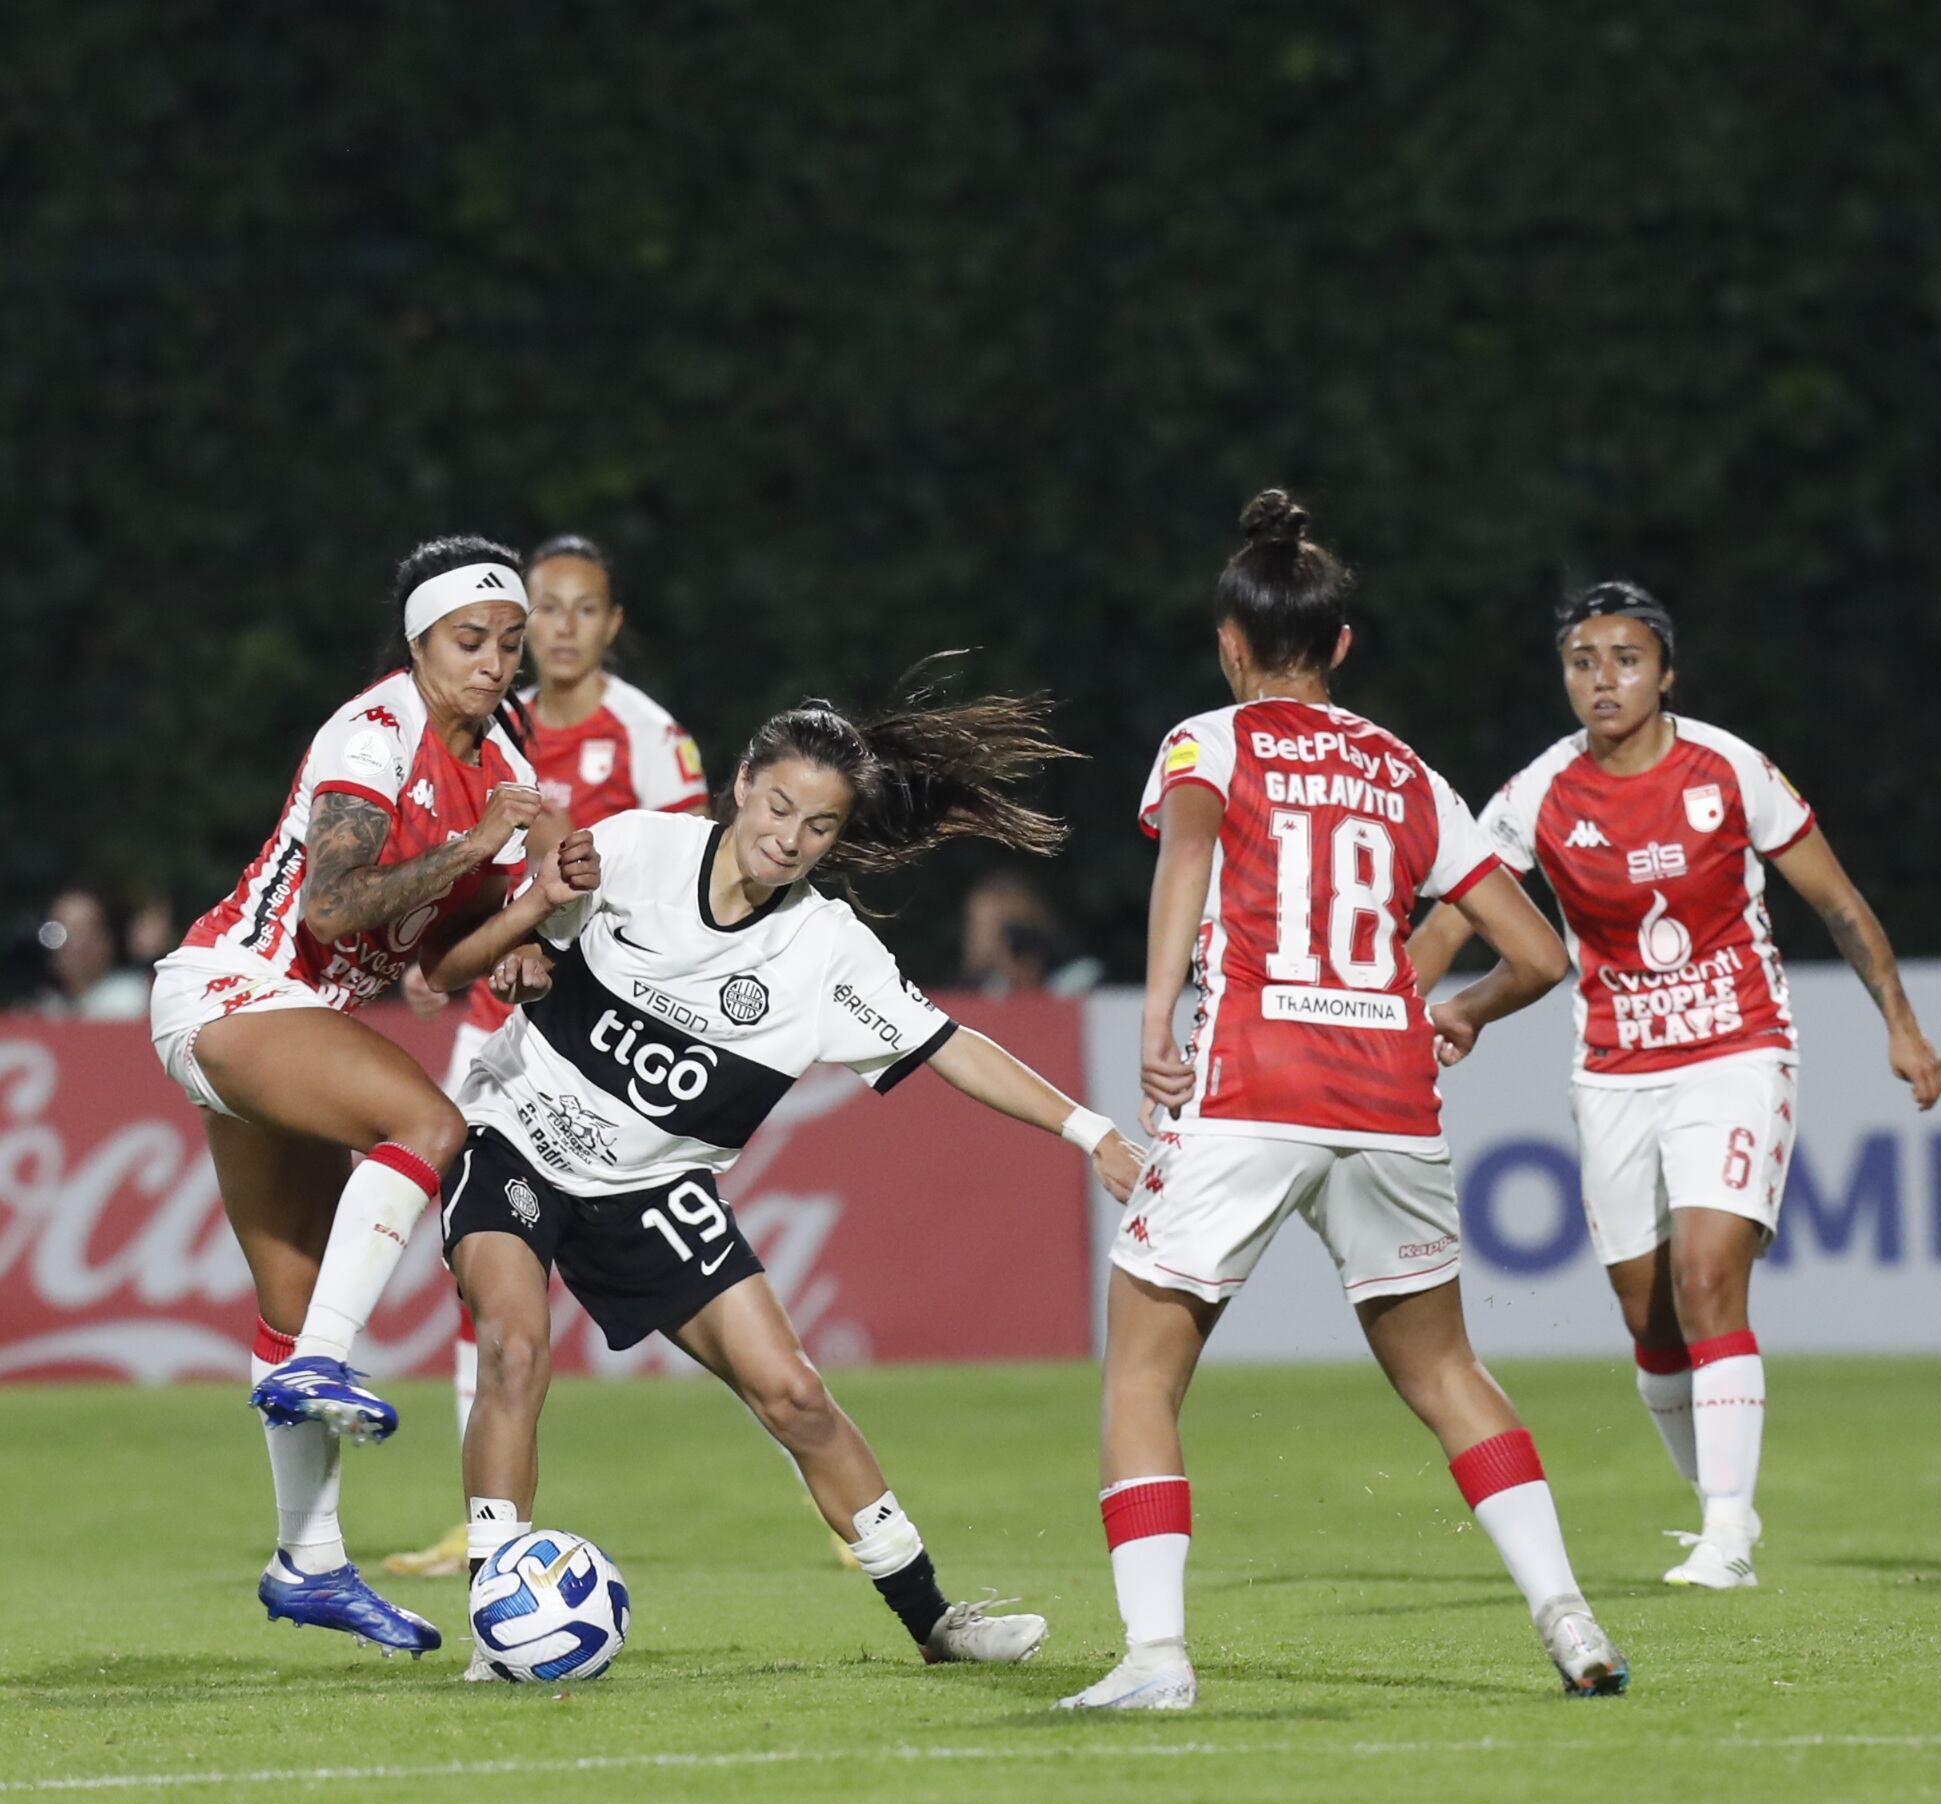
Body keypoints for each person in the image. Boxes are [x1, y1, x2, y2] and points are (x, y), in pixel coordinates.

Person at [429, 670, 1141, 1679]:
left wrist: (1092, 1130)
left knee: (796, 1396)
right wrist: (526, 955)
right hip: (519, 1134)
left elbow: (952, 1046)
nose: (790, 836)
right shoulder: (638, 849)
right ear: (740, 785)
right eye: (777, 805)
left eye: (818, 824)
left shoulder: (826, 951)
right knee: (512, 1346)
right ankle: (498, 1625)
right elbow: (510, 939)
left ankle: (936, 1623)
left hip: (653, 1186)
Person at [1062, 490, 1621, 1711]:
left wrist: (1155, 1019)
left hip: (1250, 1083)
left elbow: (1188, 855)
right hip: (1387, 1094)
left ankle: (1156, 1656)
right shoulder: (1408, 770)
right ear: (1343, 645)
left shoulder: (1210, 740)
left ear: (1230, 642)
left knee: (1141, 1374)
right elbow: (1539, 954)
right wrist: (1459, 1009)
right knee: (1447, 1368)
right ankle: (1565, 1610)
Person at [1407, 580, 1941, 1589]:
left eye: (1625, 659)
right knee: (1649, 1318)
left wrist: (1902, 1024)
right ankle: (1719, 1507)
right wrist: (1400, 1009)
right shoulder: (1539, 792)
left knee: (1707, 1276)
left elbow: (1836, 900)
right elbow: (1455, 918)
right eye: (1582, 662)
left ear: (1666, 672)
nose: (1602, 680)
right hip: (1614, 1068)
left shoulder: (1729, 768)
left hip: (1736, 1048)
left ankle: (1727, 1532)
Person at [146, 535, 563, 1657]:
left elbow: (433, 963)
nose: (494, 661)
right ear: (419, 643)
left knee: (287, 1300)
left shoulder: (502, 752)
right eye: (469, 640)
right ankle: (328, 1361)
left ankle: (310, 1562)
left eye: (508, 642)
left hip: (292, 1014)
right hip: (235, 985)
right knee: (429, 1123)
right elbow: (330, 909)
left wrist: (523, 931)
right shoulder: (375, 731)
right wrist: (482, 844)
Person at [384, 532, 710, 1579]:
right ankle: (477, 1512)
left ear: (612, 624)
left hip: (606, 1040)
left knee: (703, 1268)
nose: (562, 629)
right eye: (546, 610)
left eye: (582, 608)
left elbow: (694, 888)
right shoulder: (491, 720)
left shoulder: (651, 738)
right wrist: (443, 952)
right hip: (497, 1025)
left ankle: (827, 1485)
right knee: (481, 1259)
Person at [954, 868, 1103, 995]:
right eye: (974, 925)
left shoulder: (1080, 980)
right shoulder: (978, 991)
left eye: (990, 929)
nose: (977, 939)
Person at [37, 888, 152, 1019]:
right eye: (59, 930)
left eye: (82, 931)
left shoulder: (134, 997)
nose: (70, 944)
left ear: (108, 939)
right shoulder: (46, 1004)